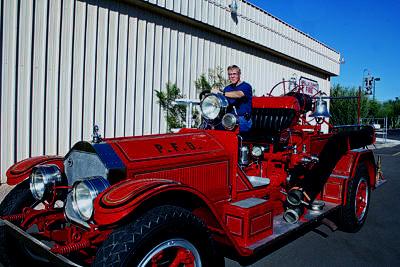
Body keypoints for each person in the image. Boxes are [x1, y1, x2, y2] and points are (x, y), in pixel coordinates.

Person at [212, 65, 252, 133]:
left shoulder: (246, 86)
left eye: (234, 74)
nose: (232, 76)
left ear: (239, 74)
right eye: (230, 74)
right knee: (211, 123)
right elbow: (221, 102)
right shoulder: (227, 88)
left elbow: (239, 94)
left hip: (243, 119)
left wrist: (222, 93)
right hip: (229, 118)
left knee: (225, 124)